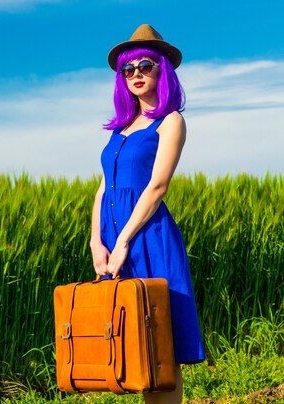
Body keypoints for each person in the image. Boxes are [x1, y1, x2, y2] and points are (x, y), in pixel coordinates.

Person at [89, 24, 206, 403]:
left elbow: (157, 186)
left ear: (162, 71)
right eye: (128, 69)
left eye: (145, 65)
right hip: (114, 241)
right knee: (135, 345)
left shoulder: (171, 121)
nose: (136, 74)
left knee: (160, 347)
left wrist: (123, 241)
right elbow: (103, 187)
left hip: (149, 238)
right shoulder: (119, 128)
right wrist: (96, 242)